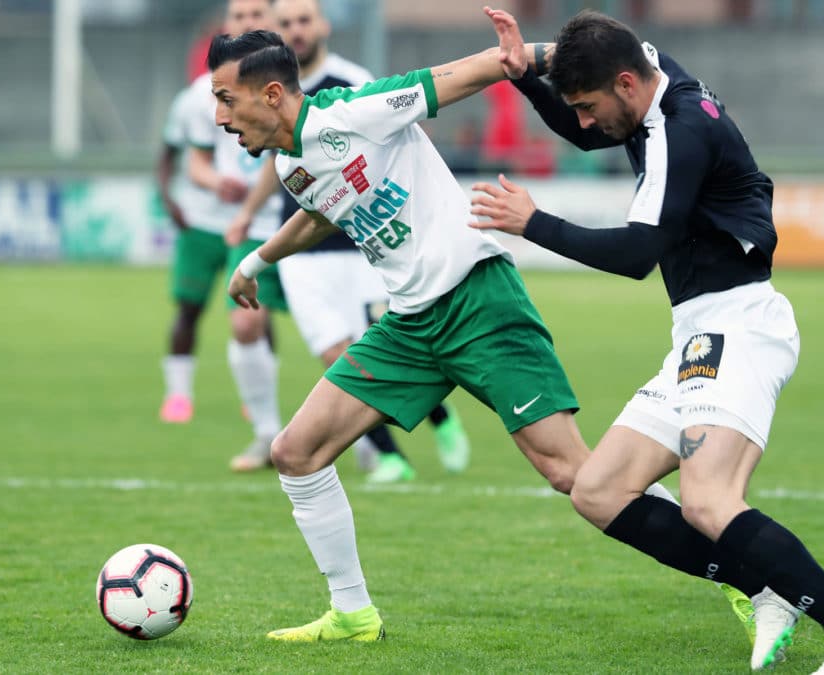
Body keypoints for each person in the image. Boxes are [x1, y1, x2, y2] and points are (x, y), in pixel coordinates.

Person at [470, 9, 824, 675]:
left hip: (740, 325)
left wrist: (534, 223)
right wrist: (528, 73)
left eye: (589, 107)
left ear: (624, 83)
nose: (585, 124)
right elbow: (588, 113)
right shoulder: (644, 74)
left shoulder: (680, 128)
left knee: (706, 499)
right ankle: (765, 585)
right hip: (701, 333)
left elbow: (638, 253)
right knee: (598, 489)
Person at [206, 21, 599, 641]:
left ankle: (744, 573)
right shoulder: (289, 164)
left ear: (273, 95)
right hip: (411, 325)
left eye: (226, 99)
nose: (220, 117)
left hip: (477, 302)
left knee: (577, 478)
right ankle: (353, 614)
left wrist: (594, 55)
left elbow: (477, 70)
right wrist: (258, 260)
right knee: (295, 453)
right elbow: (319, 215)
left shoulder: (358, 112)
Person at [232, 0, 471, 483]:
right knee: (335, 353)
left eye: (305, 20)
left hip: (361, 244)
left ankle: (440, 418)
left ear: (321, 24)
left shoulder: (348, 83)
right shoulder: (269, 97)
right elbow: (271, 167)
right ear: (276, 32)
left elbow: (396, 134)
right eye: (287, 23)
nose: (297, 30)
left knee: (375, 348)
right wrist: (248, 215)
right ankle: (389, 457)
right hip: (305, 251)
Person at [158, 0, 288, 476]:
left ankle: (378, 444)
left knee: (344, 335)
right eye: (239, 14)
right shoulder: (200, 96)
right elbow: (187, 159)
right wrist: (217, 184)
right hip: (246, 224)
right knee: (242, 322)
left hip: (320, 218)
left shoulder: (303, 81)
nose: (246, 22)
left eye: (258, 13)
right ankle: (266, 431)